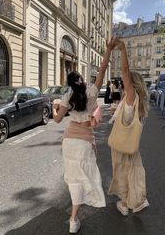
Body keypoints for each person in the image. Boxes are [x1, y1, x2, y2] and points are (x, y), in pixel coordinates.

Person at [52, 37, 119, 234]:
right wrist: (107, 49)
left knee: (74, 177)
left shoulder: (67, 96)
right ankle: (74, 216)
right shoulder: (91, 92)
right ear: (82, 80)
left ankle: (73, 219)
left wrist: (55, 108)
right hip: (85, 141)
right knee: (84, 177)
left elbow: (57, 120)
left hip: (69, 141)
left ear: (69, 83)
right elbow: (103, 68)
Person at [108, 40, 149, 216]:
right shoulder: (139, 102)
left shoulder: (131, 98)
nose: (123, 85)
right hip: (132, 145)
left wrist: (123, 49)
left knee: (122, 174)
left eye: (126, 83)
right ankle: (137, 201)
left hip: (121, 144)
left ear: (132, 84)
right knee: (136, 172)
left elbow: (124, 72)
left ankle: (125, 203)